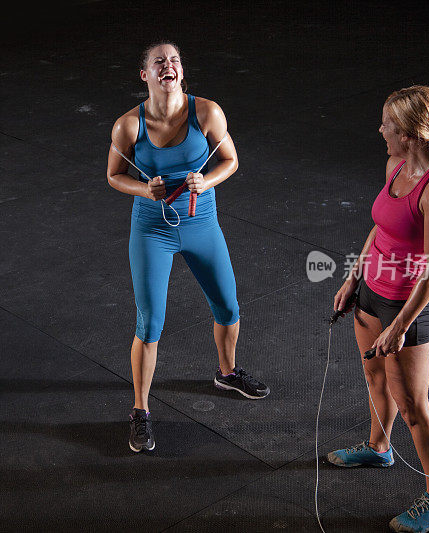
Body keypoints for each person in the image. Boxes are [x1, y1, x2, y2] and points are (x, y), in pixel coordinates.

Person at [106, 42, 269, 453]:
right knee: (150, 325)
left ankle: (227, 373)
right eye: (158, 61)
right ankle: (141, 411)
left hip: (201, 223)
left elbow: (229, 160)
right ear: (144, 75)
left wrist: (206, 181)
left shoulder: (207, 113)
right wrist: (145, 189)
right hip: (152, 230)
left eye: (174, 60)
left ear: (181, 70)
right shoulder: (128, 125)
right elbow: (112, 176)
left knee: (229, 307)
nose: (168, 65)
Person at [330, 85, 429, 532]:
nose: (381, 128)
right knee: (373, 377)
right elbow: (380, 226)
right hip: (370, 290)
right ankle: (378, 447)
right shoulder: (395, 165)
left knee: (413, 406)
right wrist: (354, 276)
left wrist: (400, 326)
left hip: (407, 306)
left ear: (408, 133)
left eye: (387, 122)